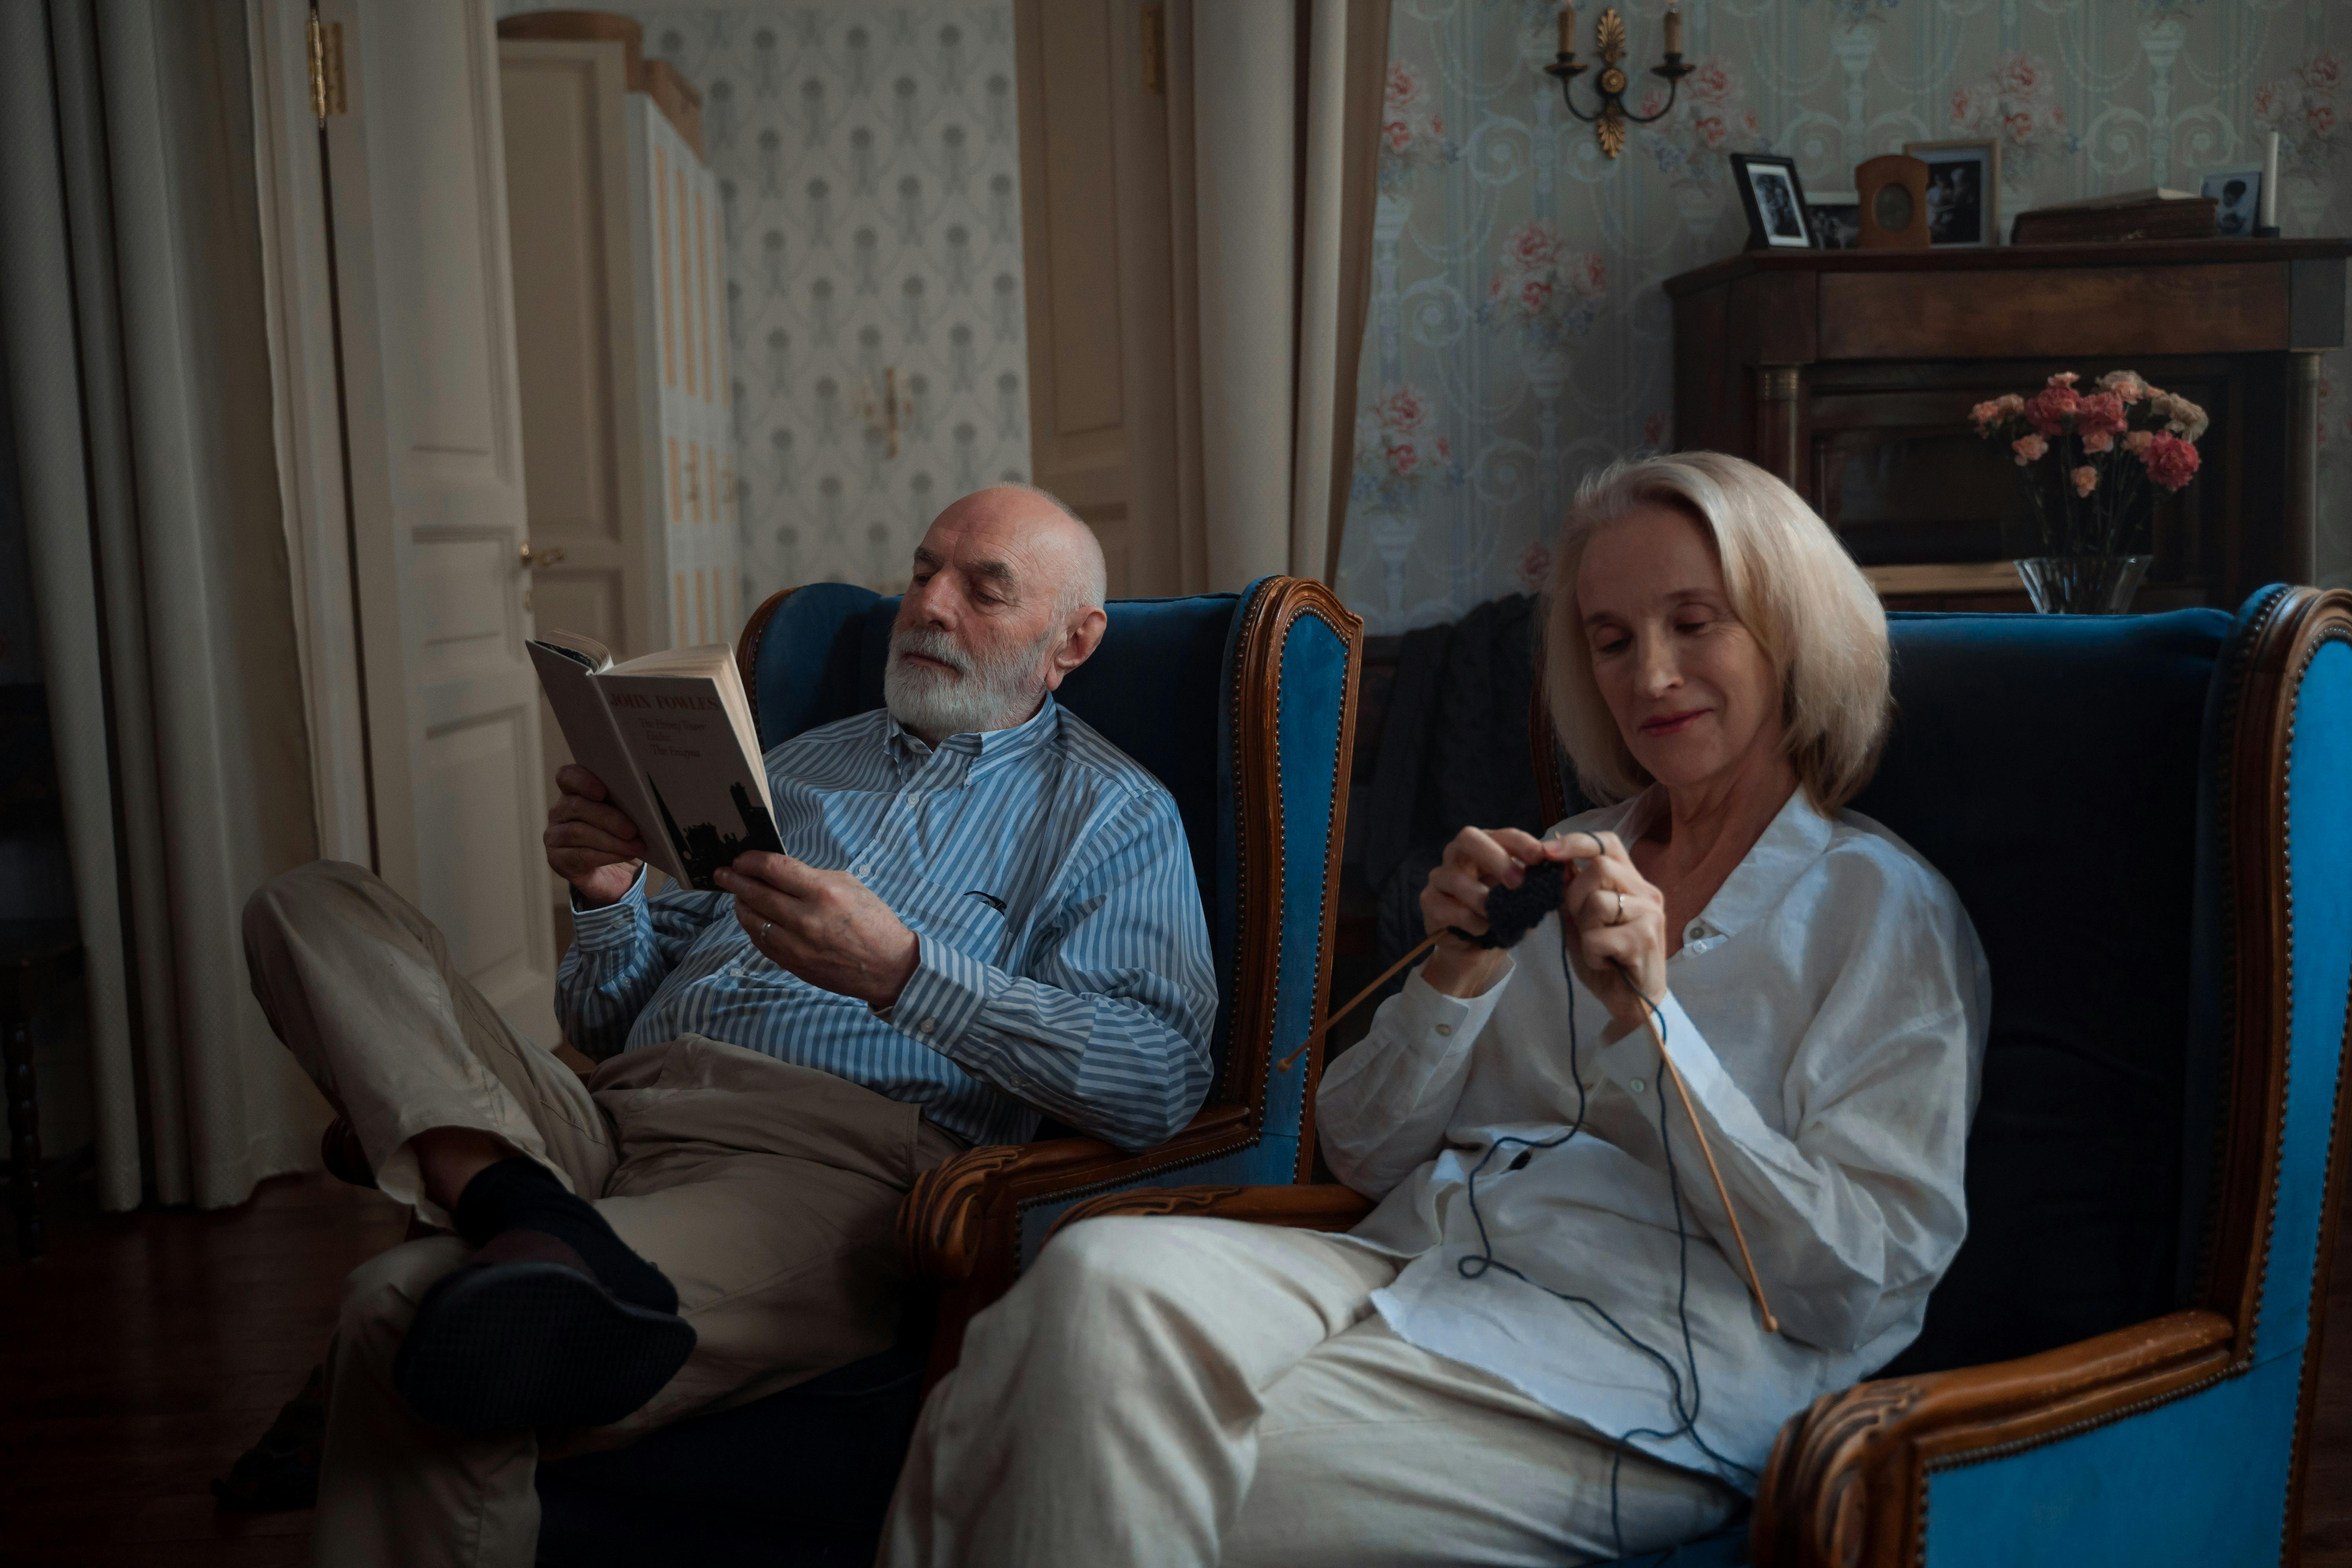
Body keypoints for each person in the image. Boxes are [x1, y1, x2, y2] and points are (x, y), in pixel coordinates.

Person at [880, 452, 1990, 1567]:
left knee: (1024, 1429)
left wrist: (1653, 1025)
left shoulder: (1878, 912)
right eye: (1612, 640)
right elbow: (1362, 1153)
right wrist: (1455, 975)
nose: (1651, 676)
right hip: (1406, 1272)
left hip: (1632, 1367)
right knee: (1087, 1276)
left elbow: (1855, 1283)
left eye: (1694, 624)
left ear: (1788, 629)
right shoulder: (1565, 861)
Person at [242, 485, 1218, 1568]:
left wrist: (904, 975)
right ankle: (522, 1202)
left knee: (394, 1308)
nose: (930, 607)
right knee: (316, 904)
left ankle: (518, 1216)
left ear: (1072, 640)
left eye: (983, 589)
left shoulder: (1112, 817)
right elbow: (606, 1021)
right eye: (922, 572)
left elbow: (1159, 1077)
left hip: (817, 1164)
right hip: (607, 1117)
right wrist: (610, 897)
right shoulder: (798, 764)